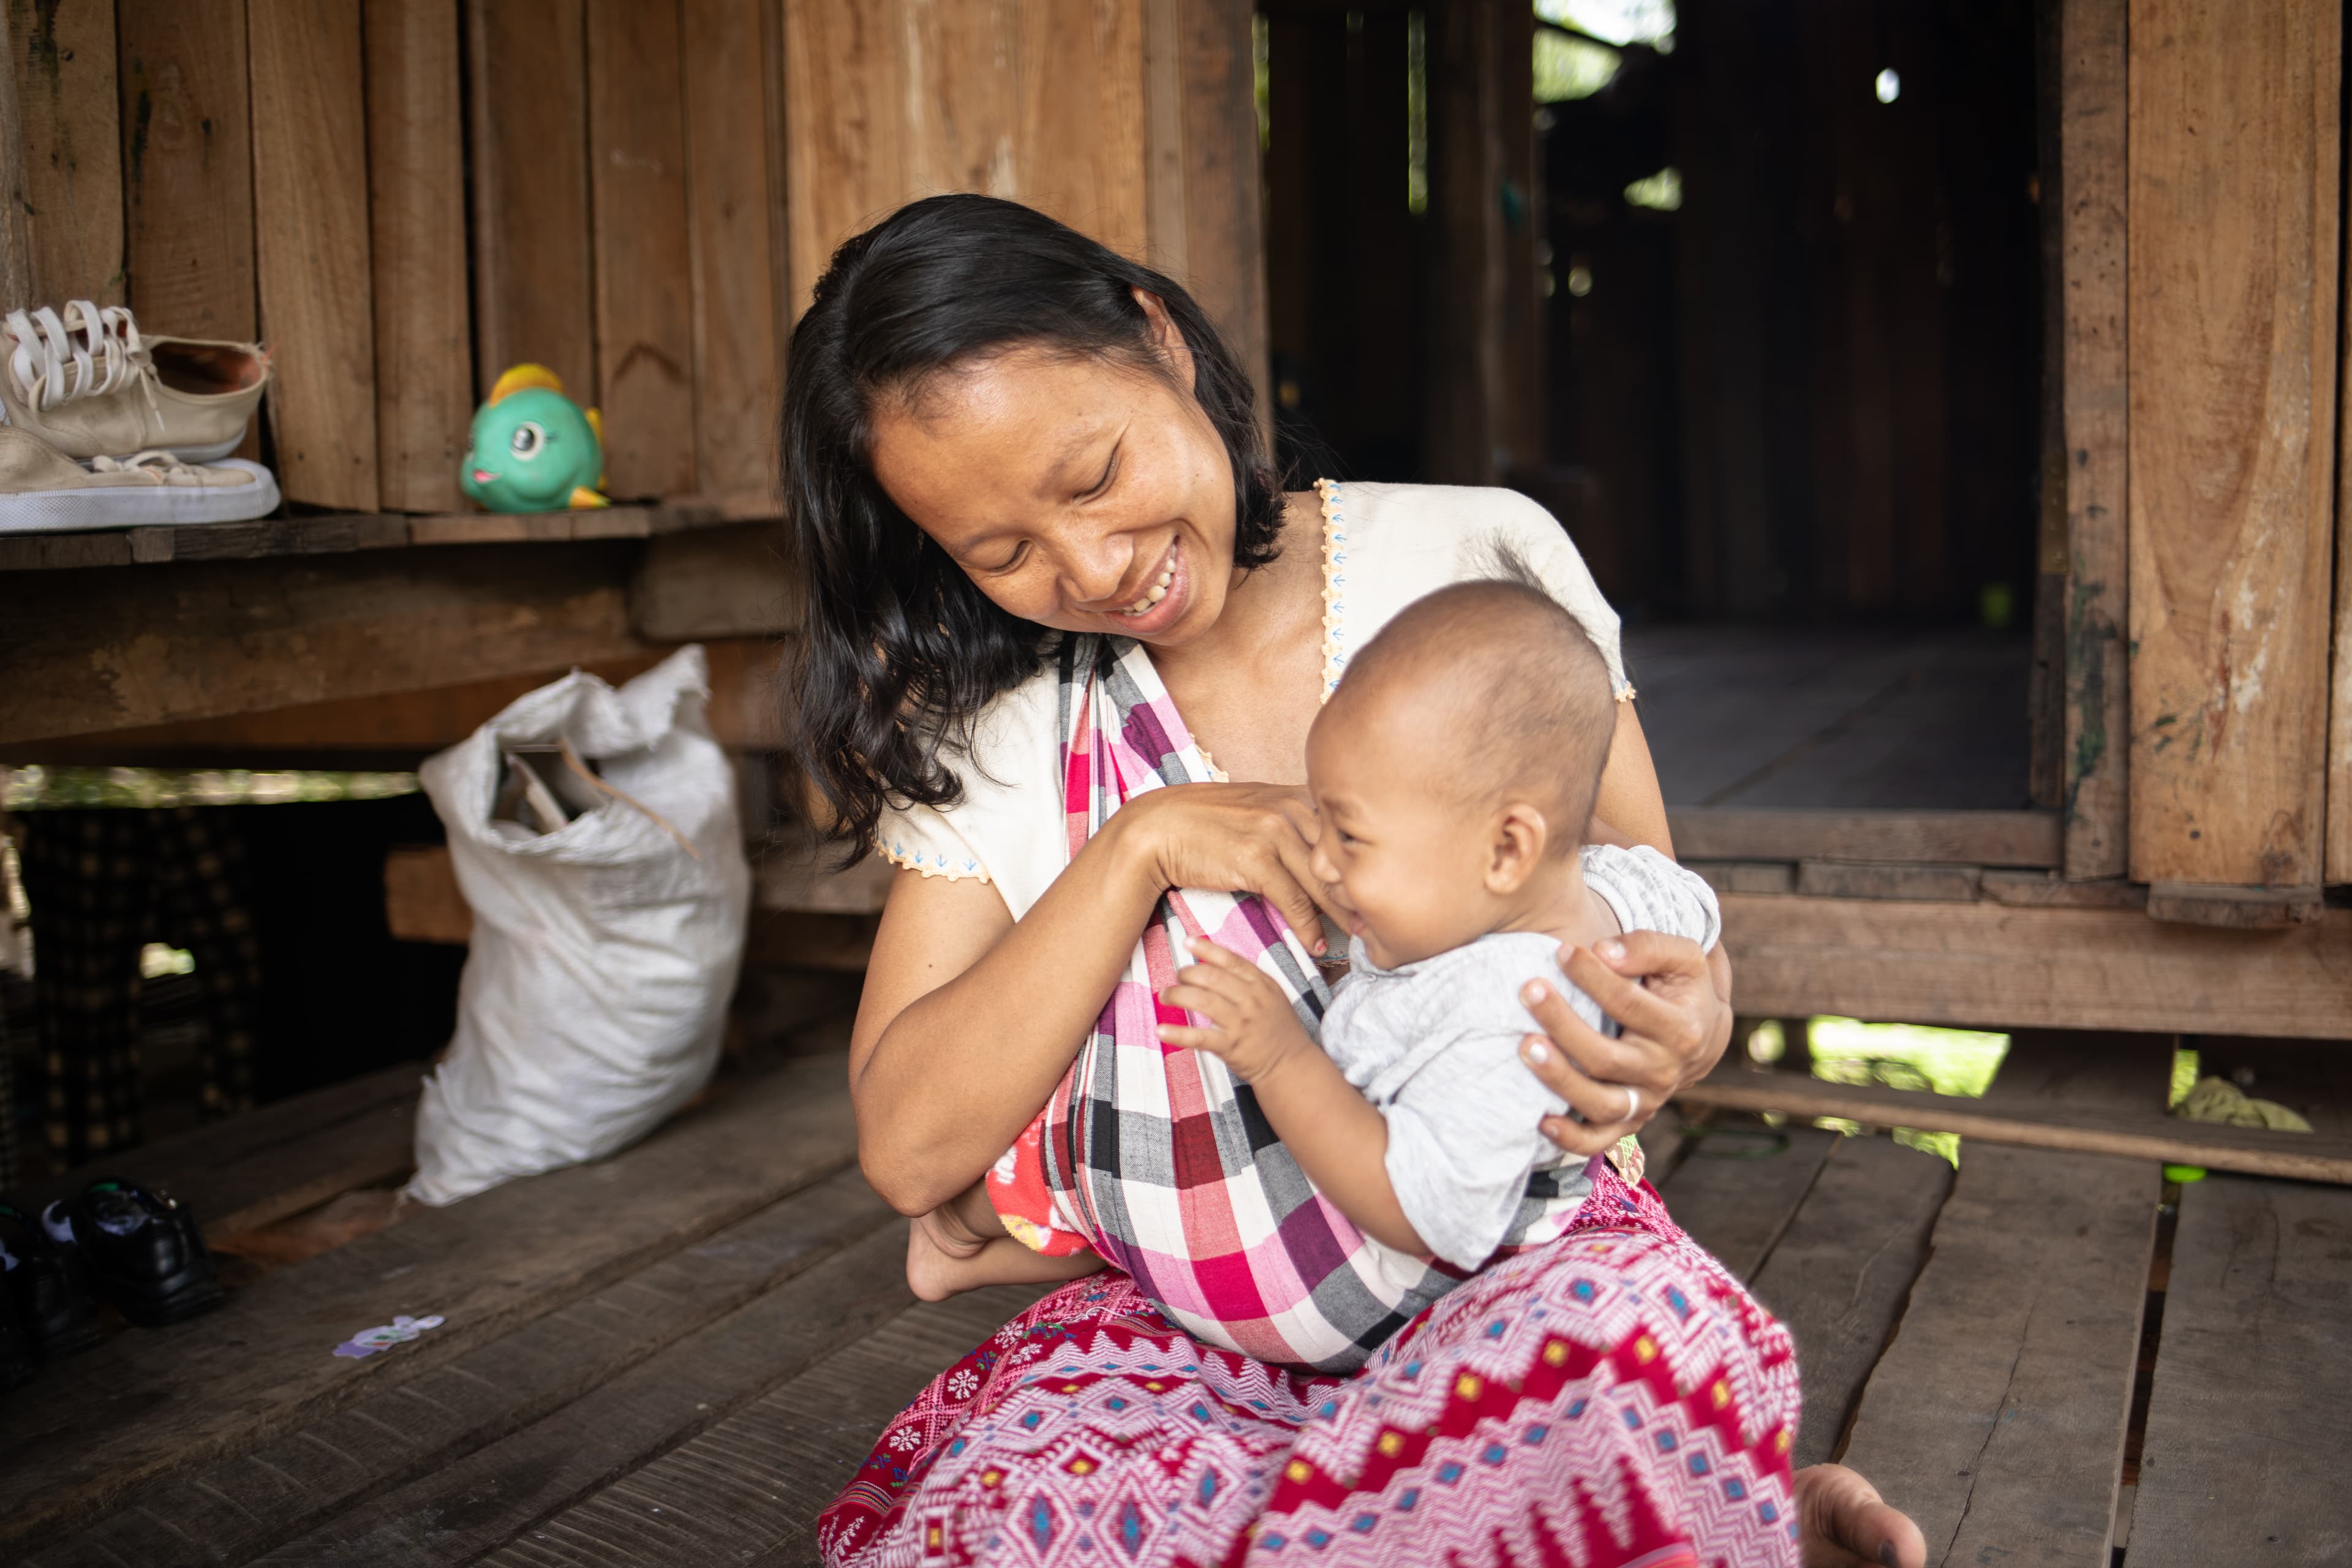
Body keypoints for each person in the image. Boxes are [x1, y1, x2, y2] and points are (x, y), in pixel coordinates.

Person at [788, 193, 1926, 1568]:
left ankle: (1738, 1498)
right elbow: (911, 1148)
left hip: (1517, 1267)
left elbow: (1647, 923)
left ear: (1157, 337)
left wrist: (1689, 1022)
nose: (1093, 568)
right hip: (1189, 1331)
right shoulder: (1009, 723)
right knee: (1028, 1528)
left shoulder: (1471, 561)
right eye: (1003, 552)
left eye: (1093, 477)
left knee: (1610, 1402)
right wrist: (1142, 846)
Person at [1161, 578, 1725, 1358]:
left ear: (1507, 850)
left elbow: (1416, 1216)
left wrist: (1281, 1058)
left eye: (1351, 837)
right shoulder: (1615, 887)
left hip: (1429, 1317)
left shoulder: (1514, 1014)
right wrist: (1711, 1000)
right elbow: (1693, 907)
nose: (1320, 860)